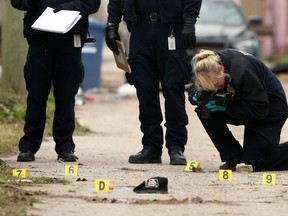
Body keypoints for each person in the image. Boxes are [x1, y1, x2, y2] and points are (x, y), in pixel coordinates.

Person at [105, 0, 202, 165]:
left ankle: (176, 147)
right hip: (139, 28)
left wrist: (189, 23)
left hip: (171, 29)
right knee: (144, 88)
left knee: (173, 87)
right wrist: (112, 24)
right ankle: (151, 146)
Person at [11, 0, 101, 162]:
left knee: (66, 94)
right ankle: (28, 146)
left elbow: (92, 3)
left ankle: (65, 146)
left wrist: (65, 10)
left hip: (70, 37)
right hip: (39, 38)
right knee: (36, 92)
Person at [188, 49, 288, 171]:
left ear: (221, 69)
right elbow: (194, 88)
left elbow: (259, 110)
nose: (214, 89)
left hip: (269, 110)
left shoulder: (242, 69)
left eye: (216, 84)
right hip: (242, 105)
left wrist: (228, 108)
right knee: (204, 110)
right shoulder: (204, 66)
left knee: (255, 162)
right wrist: (195, 97)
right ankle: (233, 156)